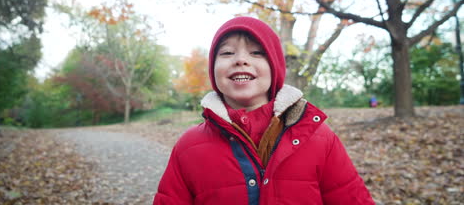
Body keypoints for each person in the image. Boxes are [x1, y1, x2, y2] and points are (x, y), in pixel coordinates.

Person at [153, 17, 374, 204]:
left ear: (275, 69)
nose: (241, 60)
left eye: (256, 53)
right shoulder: (188, 147)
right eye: (227, 52)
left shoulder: (319, 138)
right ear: (213, 69)